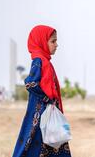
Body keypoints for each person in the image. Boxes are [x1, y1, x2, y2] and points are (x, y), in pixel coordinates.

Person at [13, 25, 71, 157]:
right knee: (37, 141)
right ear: (41, 42)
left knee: (54, 140)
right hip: (40, 114)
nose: (56, 45)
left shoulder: (46, 62)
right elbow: (30, 83)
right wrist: (47, 99)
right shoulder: (39, 61)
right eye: (53, 41)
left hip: (48, 112)